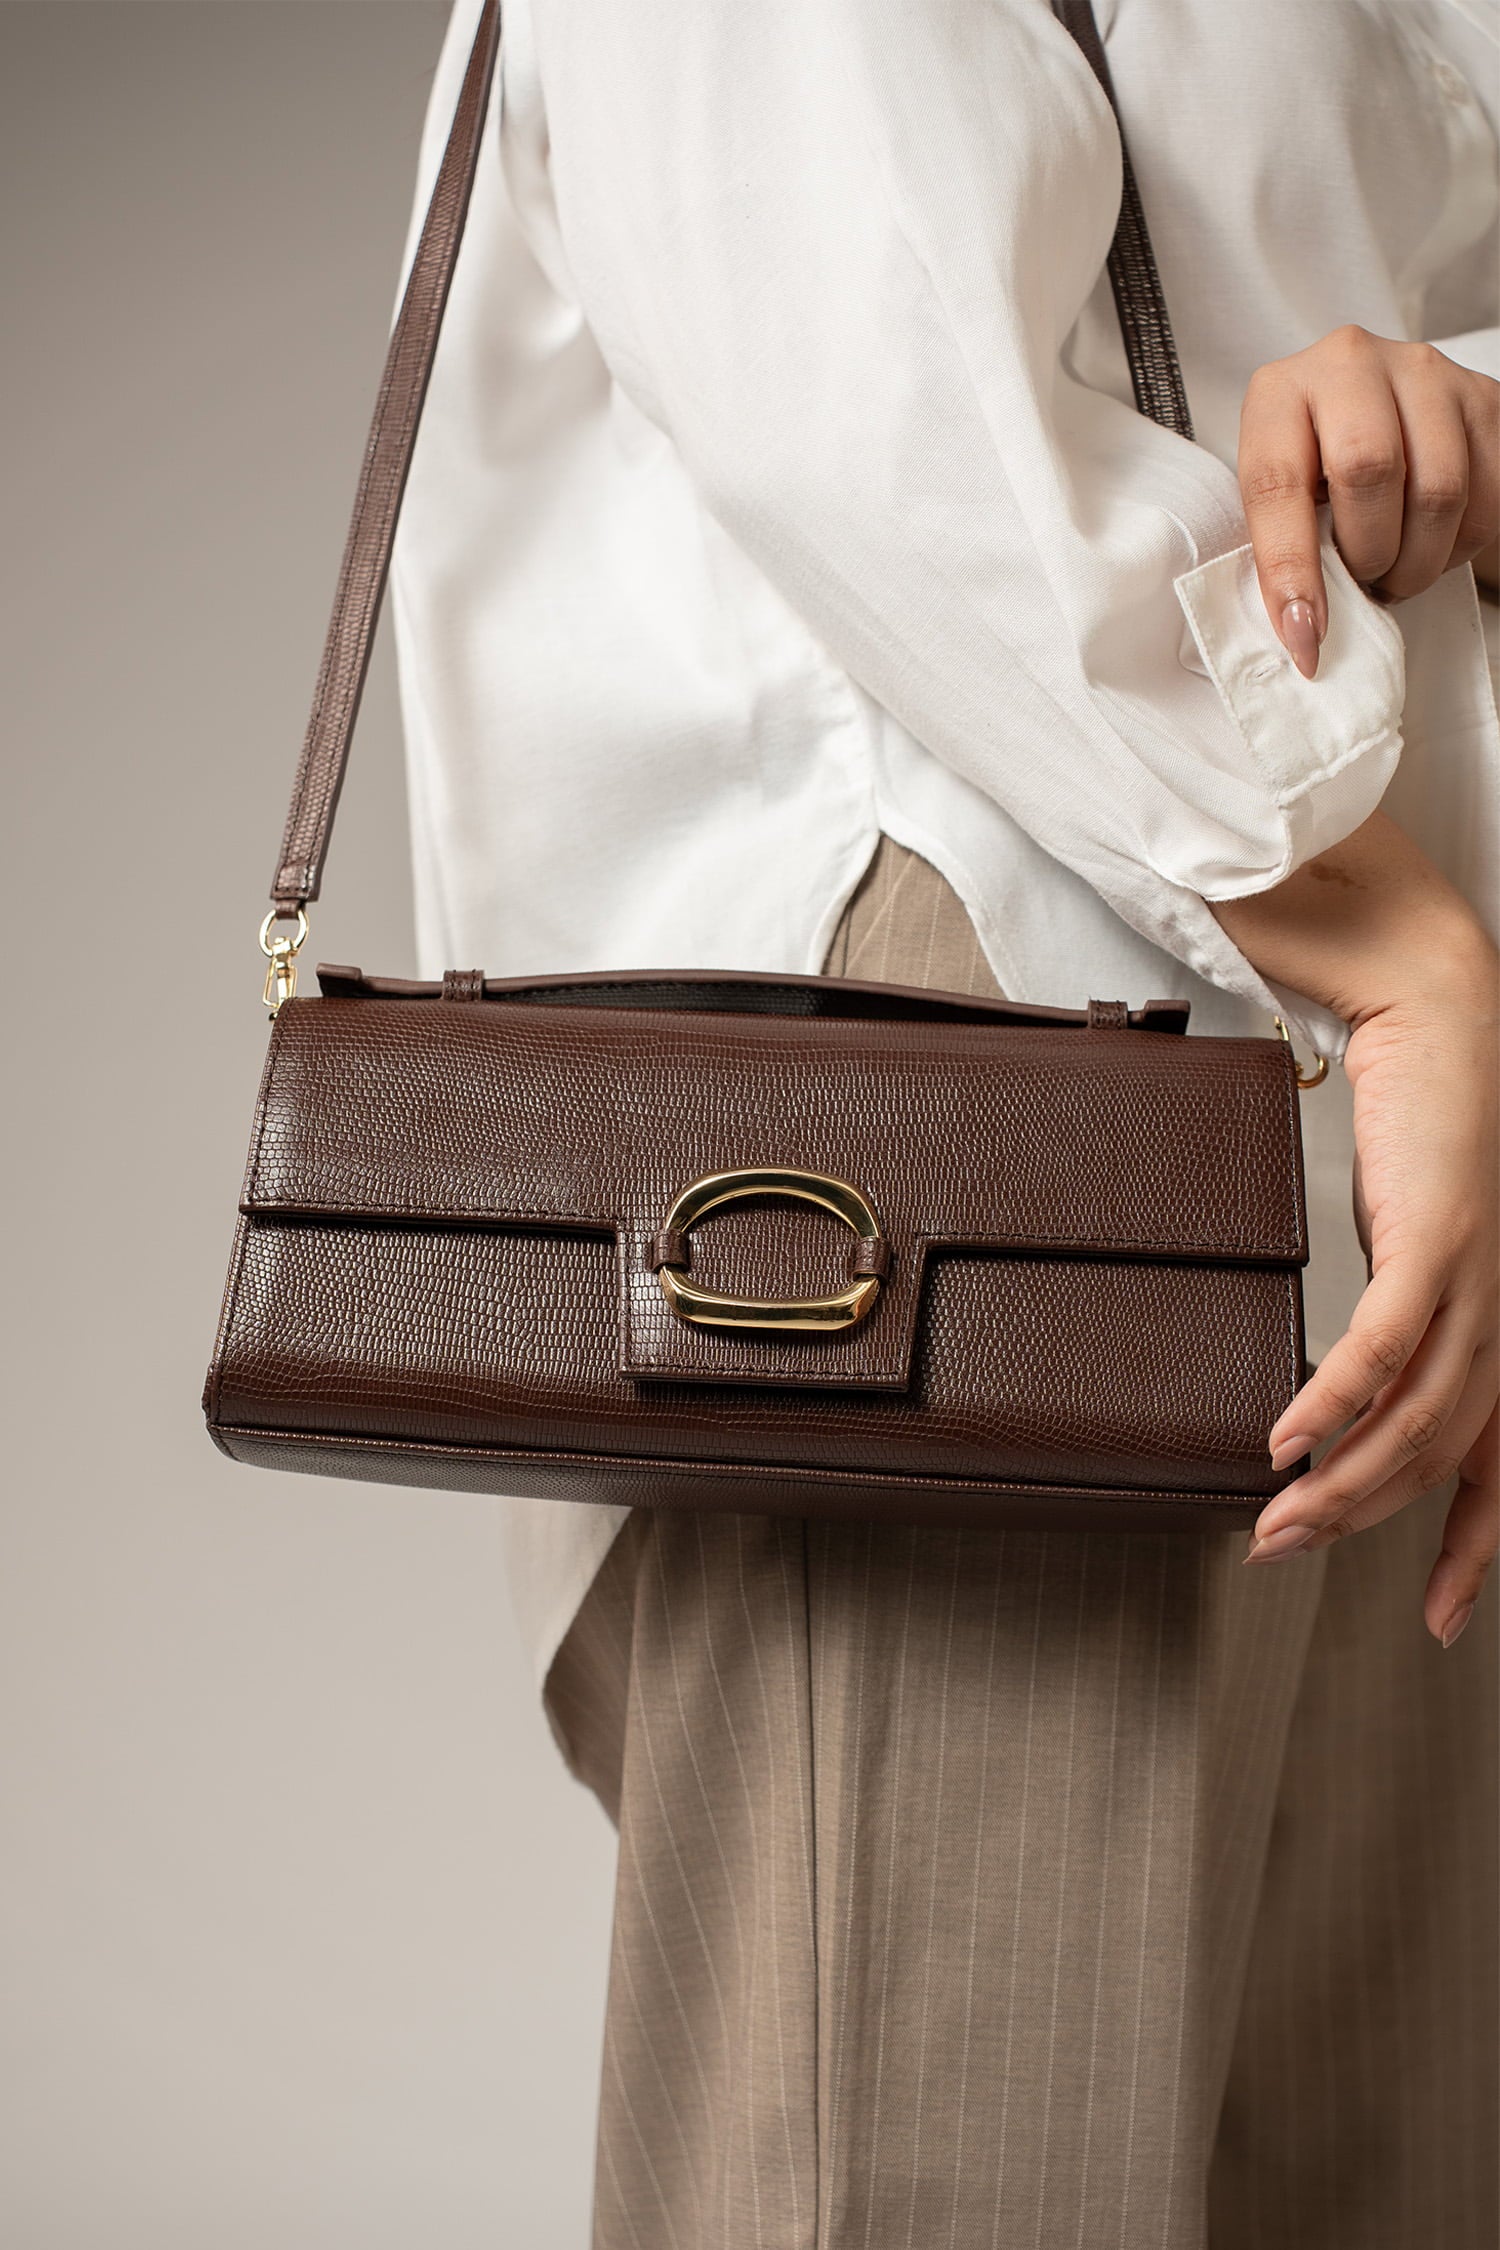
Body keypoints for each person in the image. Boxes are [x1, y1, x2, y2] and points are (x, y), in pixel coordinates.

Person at [390, 1, 1499, 2240]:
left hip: (1413, 1034)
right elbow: (870, 395)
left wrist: (1460, 400)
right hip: (1001, 1052)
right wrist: (1398, 956)